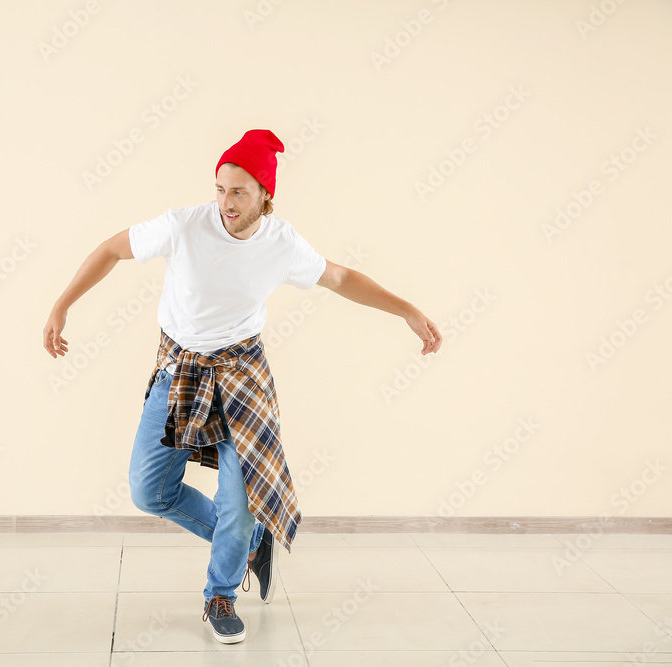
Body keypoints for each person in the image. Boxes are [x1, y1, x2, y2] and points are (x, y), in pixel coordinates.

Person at [43, 129, 442, 644]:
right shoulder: (183, 225)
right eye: (220, 189)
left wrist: (407, 309)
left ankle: (222, 592)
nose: (225, 203)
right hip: (180, 369)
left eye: (238, 192)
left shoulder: (282, 243)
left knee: (239, 497)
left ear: (264, 197)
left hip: (242, 376)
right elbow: (111, 249)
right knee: (148, 491)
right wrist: (61, 305)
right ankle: (253, 543)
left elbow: (341, 278)